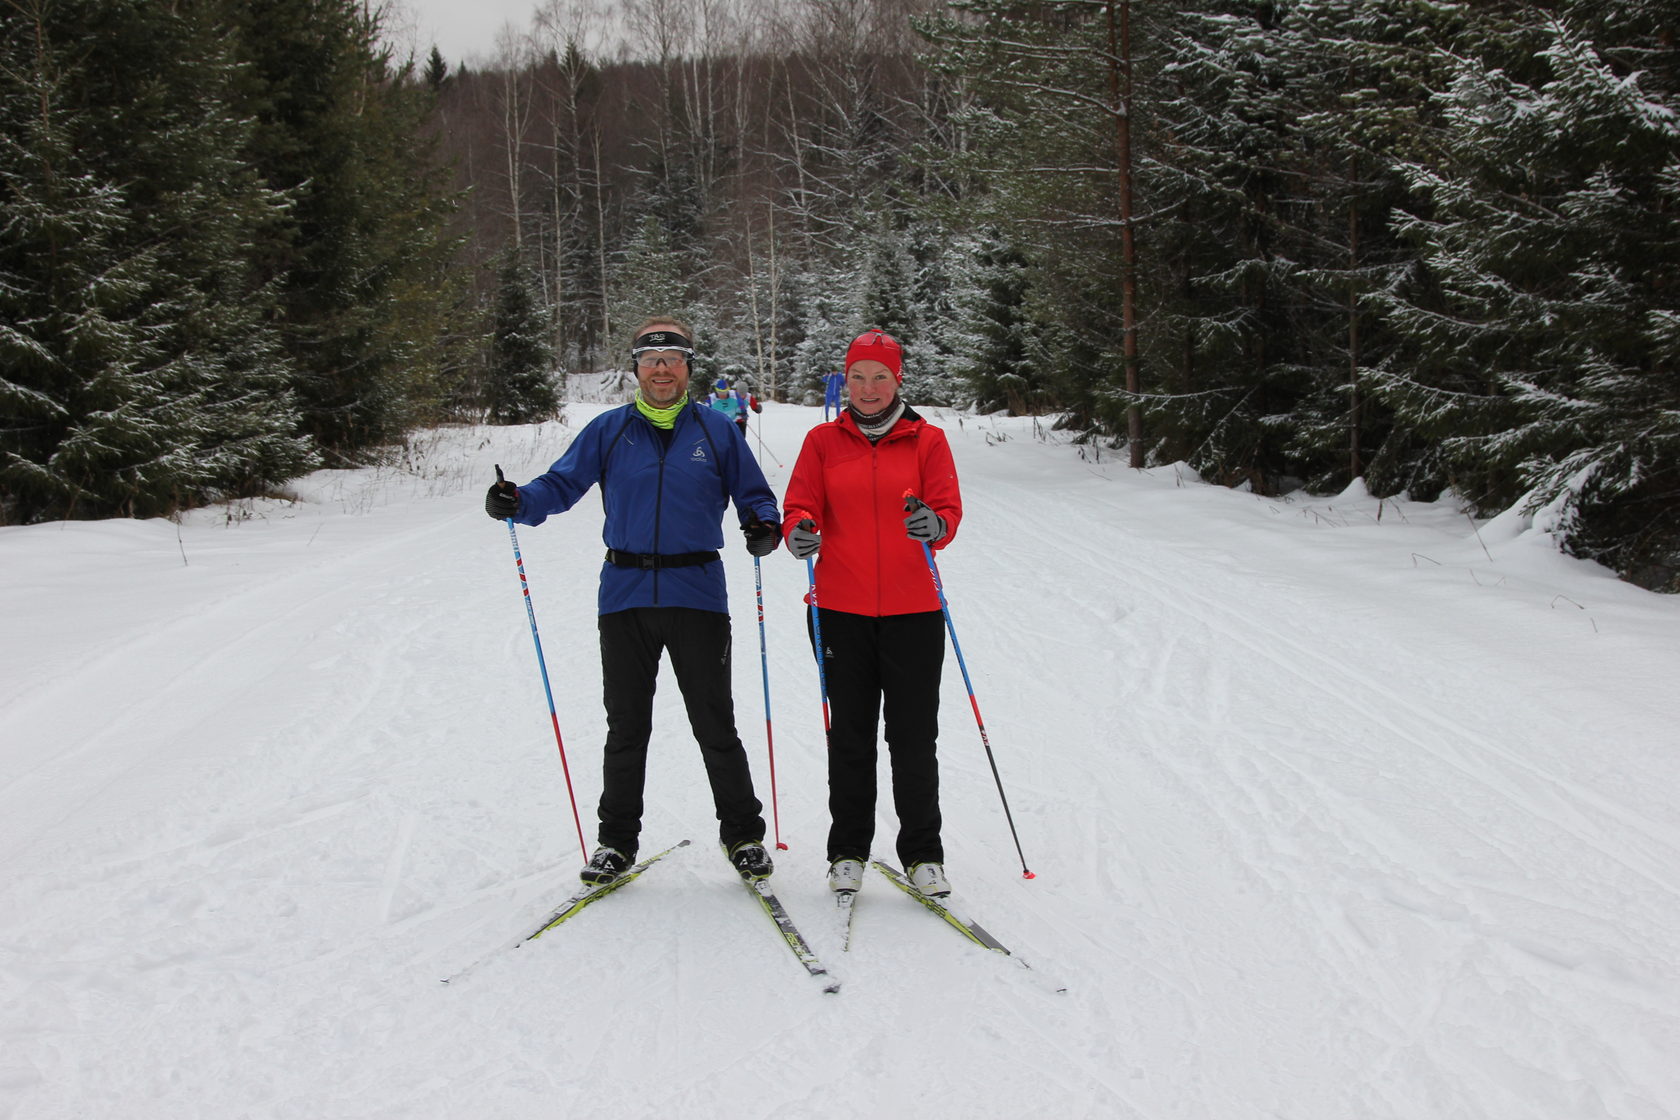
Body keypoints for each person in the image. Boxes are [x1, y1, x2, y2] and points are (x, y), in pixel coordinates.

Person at [485, 316, 783, 886]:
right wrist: (516, 500)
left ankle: (743, 836)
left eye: (672, 360)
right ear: (637, 370)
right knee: (626, 726)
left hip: (697, 592)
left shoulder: (718, 433)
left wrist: (763, 525)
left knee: (714, 722)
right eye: (651, 361)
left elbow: (753, 494)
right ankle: (616, 844)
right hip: (623, 596)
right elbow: (560, 485)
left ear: (689, 368)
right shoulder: (609, 430)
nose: (662, 369)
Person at [779, 328, 963, 899]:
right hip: (839, 611)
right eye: (858, 376)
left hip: (914, 612)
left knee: (913, 738)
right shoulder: (822, 442)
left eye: (880, 376)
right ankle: (847, 851)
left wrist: (936, 524)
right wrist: (799, 530)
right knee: (850, 737)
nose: (868, 387)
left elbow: (948, 509)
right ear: (845, 379)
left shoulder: (927, 441)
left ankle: (923, 854)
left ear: (898, 379)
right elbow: (799, 503)